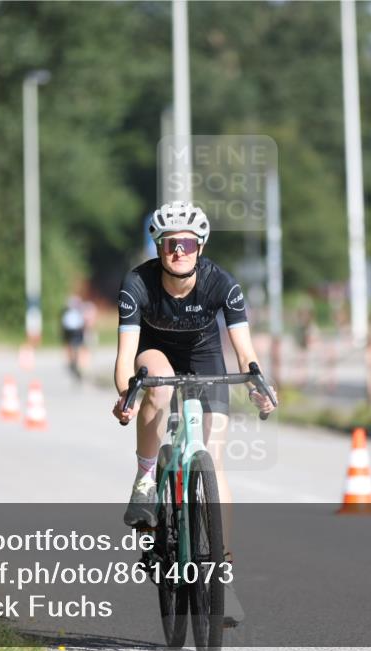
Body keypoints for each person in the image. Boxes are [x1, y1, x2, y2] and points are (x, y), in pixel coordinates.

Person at [112, 201, 276, 626]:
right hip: (156, 353)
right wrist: (125, 396)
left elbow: (245, 352)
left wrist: (259, 387)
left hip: (205, 358)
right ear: (158, 246)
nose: (177, 251)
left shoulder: (222, 283)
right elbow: (125, 356)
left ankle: (220, 575)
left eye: (186, 243)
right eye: (168, 243)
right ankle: (146, 477)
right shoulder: (138, 283)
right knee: (159, 385)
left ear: (199, 246)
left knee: (213, 460)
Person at [60, 295, 87, 380]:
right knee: (76, 347)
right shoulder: (77, 312)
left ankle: (74, 363)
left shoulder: (69, 313)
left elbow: (65, 324)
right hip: (75, 331)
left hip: (72, 331)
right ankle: (76, 363)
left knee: (72, 347)